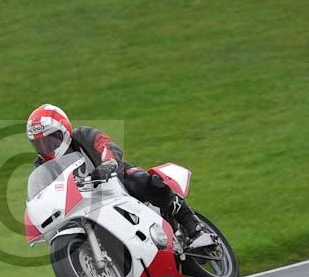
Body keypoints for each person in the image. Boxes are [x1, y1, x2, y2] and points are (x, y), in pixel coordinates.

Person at [26, 103, 203, 241]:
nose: (46, 147)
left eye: (50, 140)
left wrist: (108, 163)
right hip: (84, 207)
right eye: (39, 144)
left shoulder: (82, 136)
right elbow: (42, 194)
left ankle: (191, 223)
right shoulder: (41, 166)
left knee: (137, 179)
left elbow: (105, 145)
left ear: (64, 131)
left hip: (113, 184)